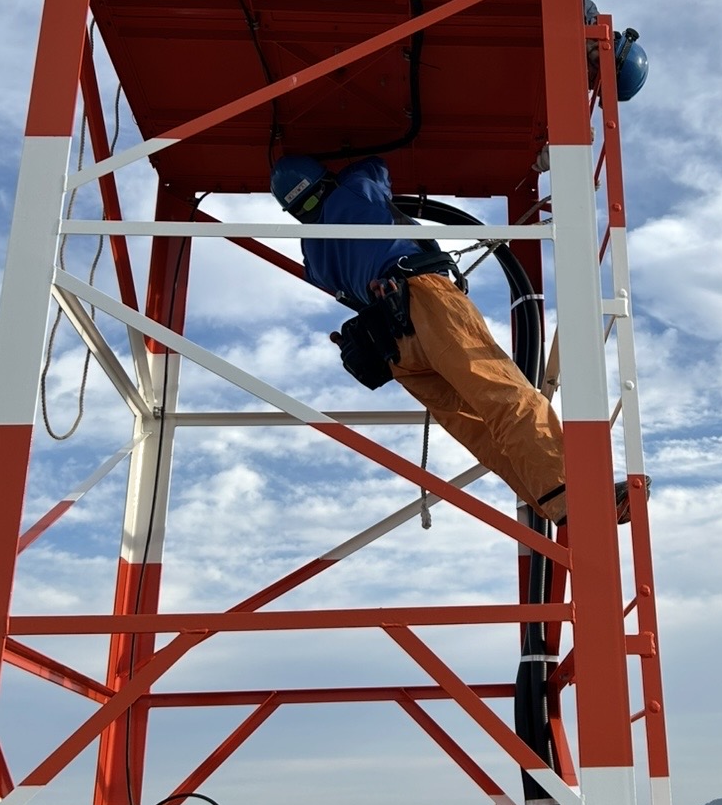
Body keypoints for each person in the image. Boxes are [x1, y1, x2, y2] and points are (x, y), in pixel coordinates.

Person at [271, 155, 642, 528]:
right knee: (506, 398)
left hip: (394, 348)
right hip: (423, 301)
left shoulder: (311, 253)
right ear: (325, 181)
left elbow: (334, 282)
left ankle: (557, 503)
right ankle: (575, 497)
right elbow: (374, 166)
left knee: (480, 431)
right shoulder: (353, 190)